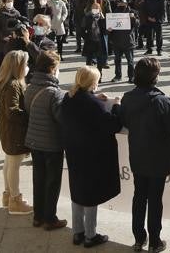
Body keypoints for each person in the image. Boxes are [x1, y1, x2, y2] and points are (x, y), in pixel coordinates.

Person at [119, 58, 170, 252]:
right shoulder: (161, 101)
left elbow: (125, 120)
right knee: (155, 199)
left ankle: (139, 238)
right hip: (157, 157)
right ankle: (155, 240)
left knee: (139, 196)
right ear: (155, 77)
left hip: (138, 154)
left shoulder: (128, 97)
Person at [61, 65, 122, 247]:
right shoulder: (93, 104)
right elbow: (114, 125)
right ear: (92, 83)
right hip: (92, 154)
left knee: (77, 190)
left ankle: (78, 231)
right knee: (90, 194)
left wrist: (95, 98)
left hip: (74, 151)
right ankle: (90, 234)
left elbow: (83, 108)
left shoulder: (69, 98)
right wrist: (116, 106)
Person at [24, 50, 68, 230]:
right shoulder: (54, 92)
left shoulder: (30, 87)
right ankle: (50, 218)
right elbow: (61, 118)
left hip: (34, 140)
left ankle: (38, 216)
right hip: (51, 143)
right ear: (52, 68)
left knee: (38, 179)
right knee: (52, 181)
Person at [0, 50, 32, 215]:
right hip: (14, 129)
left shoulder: (4, 81)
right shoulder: (14, 84)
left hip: (6, 126)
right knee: (14, 164)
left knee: (9, 161)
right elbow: (13, 111)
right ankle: (15, 200)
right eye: (26, 64)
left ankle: (8, 195)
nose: (28, 67)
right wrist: (30, 115)